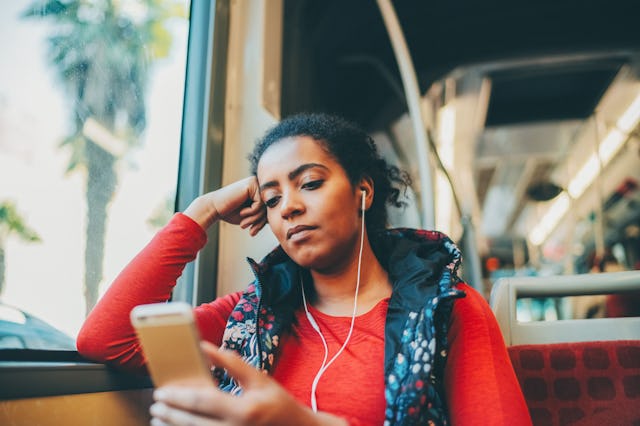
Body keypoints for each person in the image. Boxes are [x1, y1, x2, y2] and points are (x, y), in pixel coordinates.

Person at [77, 113, 531, 425]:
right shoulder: (250, 315)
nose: (289, 207)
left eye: (310, 183)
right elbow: (106, 339)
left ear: (363, 192)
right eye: (271, 199)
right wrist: (204, 211)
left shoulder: (449, 310)